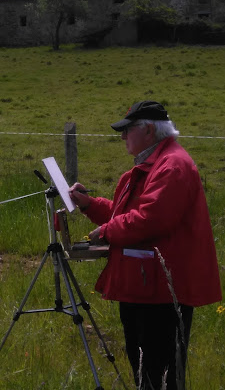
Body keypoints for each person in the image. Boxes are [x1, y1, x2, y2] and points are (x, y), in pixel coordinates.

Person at [69, 100, 222, 390]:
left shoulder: (172, 166)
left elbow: (149, 220)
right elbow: (128, 213)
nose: (123, 137)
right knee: (147, 369)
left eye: (127, 130)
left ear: (149, 130)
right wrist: (90, 205)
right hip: (147, 286)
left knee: (157, 371)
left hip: (161, 291)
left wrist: (106, 231)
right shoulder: (156, 162)